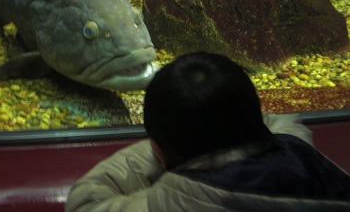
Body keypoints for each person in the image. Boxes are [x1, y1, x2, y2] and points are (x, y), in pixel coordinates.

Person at [65, 52, 350, 211]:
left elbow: (85, 202)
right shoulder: (300, 152)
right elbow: (278, 122)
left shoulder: (167, 203)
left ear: (159, 148)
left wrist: (161, 142)